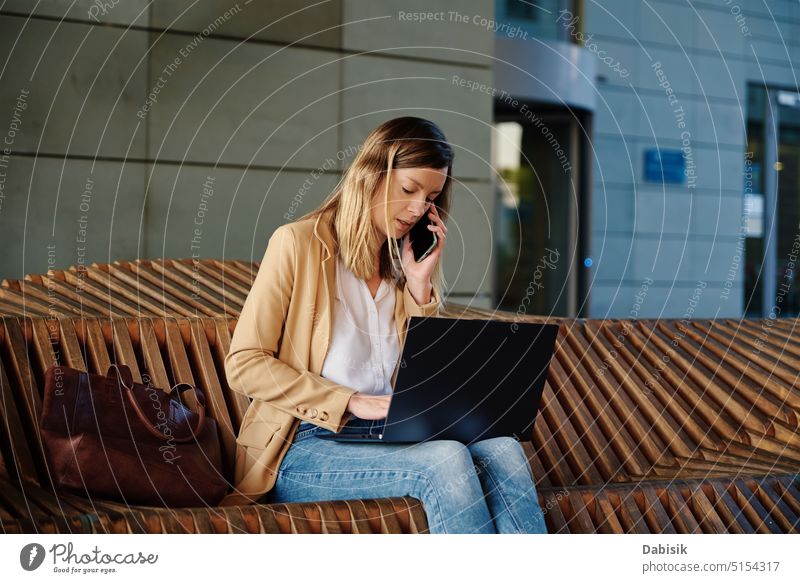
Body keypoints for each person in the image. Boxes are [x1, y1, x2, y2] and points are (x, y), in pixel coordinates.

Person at [220, 116, 547, 534]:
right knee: (445, 462)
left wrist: (419, 288)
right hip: (306, 445)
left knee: (504, 450)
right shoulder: (297, 244)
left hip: (393, 435)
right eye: (409, 189)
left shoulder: (401, 266)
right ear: (370, 176)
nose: (418, 209)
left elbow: (420, 375)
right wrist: (352, 400)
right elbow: (244, 364)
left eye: (431, 196)